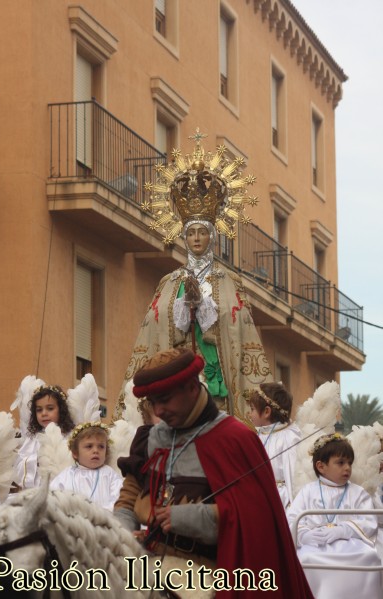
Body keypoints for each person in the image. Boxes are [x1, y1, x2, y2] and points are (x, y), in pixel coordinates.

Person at [114, 347, 313, 598]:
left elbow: (253, 520)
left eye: (165, 400)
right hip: (149, 559)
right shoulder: (149, 439)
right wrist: (121, 533)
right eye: (153, 403)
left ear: (192, 388)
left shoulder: (235, 440)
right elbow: (131, 492)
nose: (159, 411)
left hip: (214, 573)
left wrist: (186, 518)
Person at [114, 133, 272, 426]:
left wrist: (205, 309)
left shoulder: (227, 282)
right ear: (183, 237)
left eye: (202, 233)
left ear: (212, 237)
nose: (196, 239)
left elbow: (236, 328)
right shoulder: (169, 282)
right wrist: (184, 310)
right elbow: (156, 328)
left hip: (216, 383)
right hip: (179, 381)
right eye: (190, 233)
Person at [287, 433, 382, 599]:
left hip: (350, 544)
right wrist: (304, 534)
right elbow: (291, 519)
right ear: (321, 466)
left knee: (369, 555)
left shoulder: (357, 492)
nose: (347, 468)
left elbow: (369, 521)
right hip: (315, 545)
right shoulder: (308, 491)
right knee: (306, 557)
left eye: (349, 463)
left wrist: (344, 530)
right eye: (340, 463)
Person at [245, 381, 301, 510]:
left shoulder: (289, 438)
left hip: (279, 501)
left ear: (266, 412)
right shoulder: (258, 435)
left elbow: (293, 478)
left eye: (252, 409)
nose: (250, 414)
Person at [50, 422, 123, 511]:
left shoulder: (109, 473)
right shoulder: (67, 475)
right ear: (75, 453)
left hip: (104, 519)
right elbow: (53, 497)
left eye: (101, 446)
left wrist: (103, 513)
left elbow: (119, 498)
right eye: (89, 446)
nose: (96, 450)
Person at [13, 384, 75, 489]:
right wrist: (37, 460)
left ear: (61, 410)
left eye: (50, 408)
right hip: (37, 489)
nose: (44, 413)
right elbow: (20, 464)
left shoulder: (69, 436)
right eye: (39, 410)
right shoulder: (33, 439)